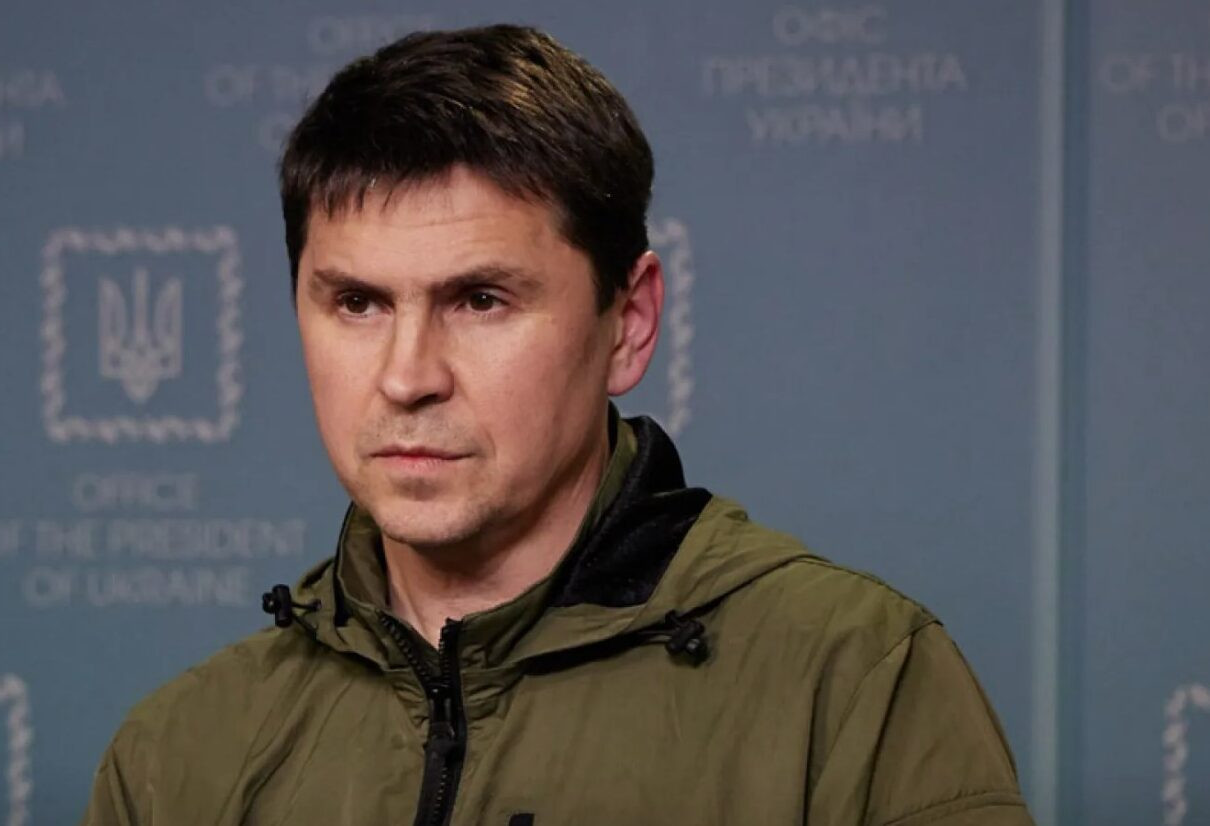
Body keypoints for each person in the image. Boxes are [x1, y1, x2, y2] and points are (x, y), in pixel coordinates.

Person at [82, 24, 1034, 826]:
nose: (407, 378)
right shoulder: (177, 756)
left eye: (481, 300)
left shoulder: (853, 686)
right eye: (358, 303)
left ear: (630, 324)